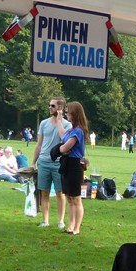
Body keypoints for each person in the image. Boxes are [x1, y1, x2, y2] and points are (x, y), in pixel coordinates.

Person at [31, 97, 71, 228]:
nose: (50, 108)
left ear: (60, 108)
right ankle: (45, 221)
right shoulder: (43, 123)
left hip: (59, 163)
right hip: (43, 162)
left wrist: (59, 120)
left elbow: (65, 139)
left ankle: (60, 221)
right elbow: (39, 144)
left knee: (60, 193)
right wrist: (33, 162)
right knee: (44, 192)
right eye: (49, 105)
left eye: (53, 106)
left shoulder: (67, 125)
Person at [58, 101, 88, 236]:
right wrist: (59, 120)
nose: (66, 114)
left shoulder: (78, 131)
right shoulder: (71, 130)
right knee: (69, 197)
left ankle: (77, 228)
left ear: (74, 113)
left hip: (75, 165)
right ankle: (70, 226)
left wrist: (58, 150)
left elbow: (66, 146)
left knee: (76, 198)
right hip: (67, 164)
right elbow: (62, 135)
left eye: (68, 112)